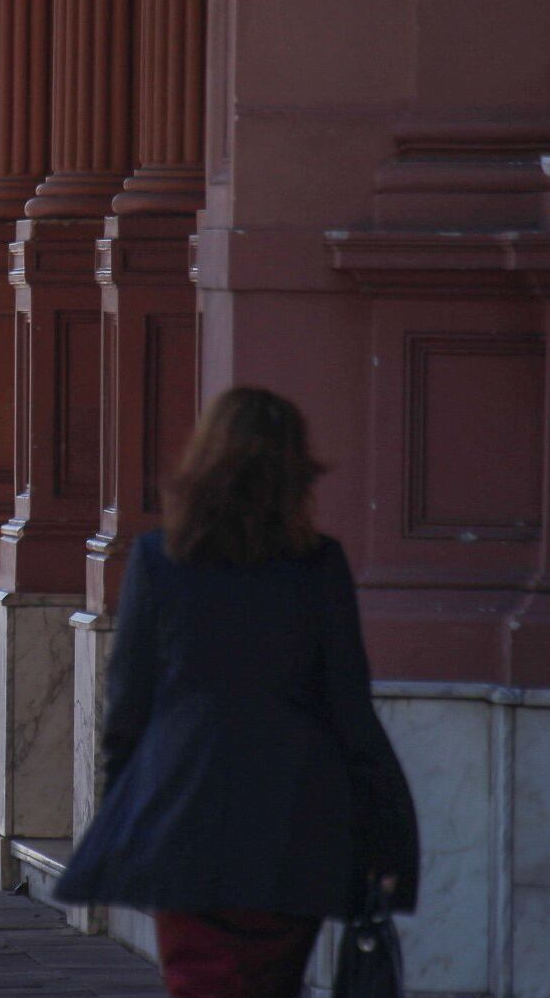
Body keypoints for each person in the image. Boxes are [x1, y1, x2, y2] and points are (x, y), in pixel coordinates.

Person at [54, 387, 419, 997]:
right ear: (295, 474)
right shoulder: (319, 566)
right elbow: (350, 713)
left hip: (183, 813)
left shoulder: (159, 560)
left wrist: (124, 812)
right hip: (293, 822)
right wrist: (386, 837)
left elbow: (129, 706)